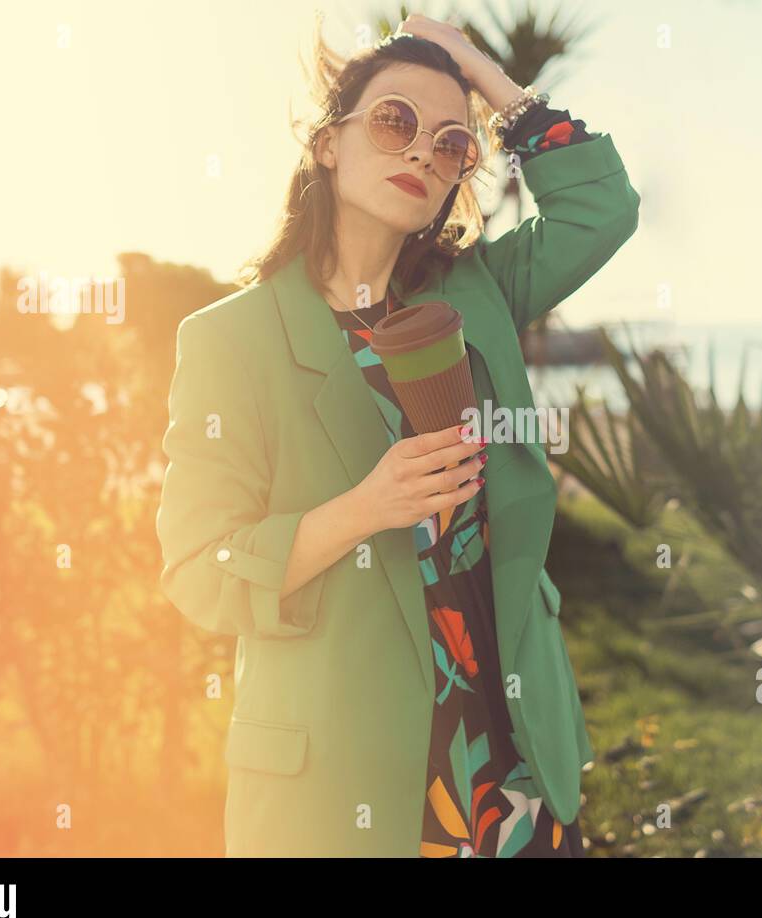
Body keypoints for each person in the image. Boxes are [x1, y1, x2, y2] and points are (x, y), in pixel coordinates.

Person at [155, 12, 640, 857]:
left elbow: (602, 208)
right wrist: (361, 509)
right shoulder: (230, 339)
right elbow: (201, 571)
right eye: (393, 121)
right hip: (349, 786)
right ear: (327, 144)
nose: (422, 151)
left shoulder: (475, 292)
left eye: (451, 143)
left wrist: (479, 70)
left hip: (511, 755)